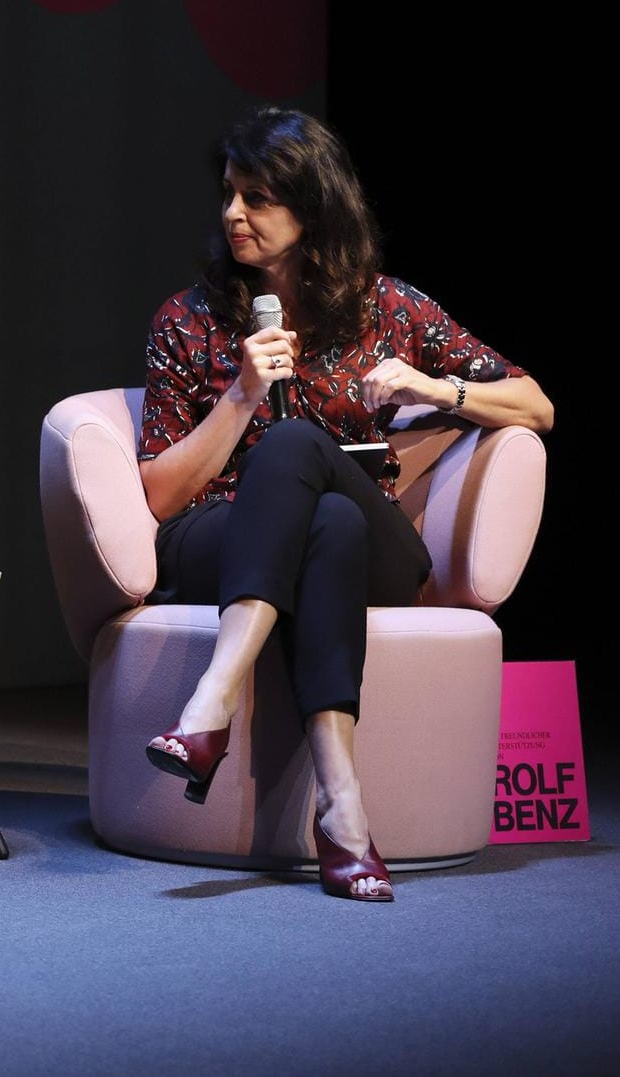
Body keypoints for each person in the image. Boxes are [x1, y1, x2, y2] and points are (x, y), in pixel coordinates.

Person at [136, 107, 554, 901]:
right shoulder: (186, 321)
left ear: (312, 208)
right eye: (228, 193)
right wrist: (240, 394)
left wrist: (436, 386)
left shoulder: (386, 309)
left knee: (304, 465)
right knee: (317, 515)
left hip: (377, 548)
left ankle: (209, 705)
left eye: (256, 198)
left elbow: (537, 405)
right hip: (218, 536)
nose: (233, 214)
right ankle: (344, 810)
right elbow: (159, 495)